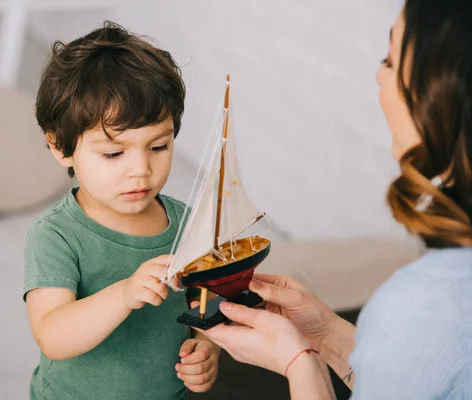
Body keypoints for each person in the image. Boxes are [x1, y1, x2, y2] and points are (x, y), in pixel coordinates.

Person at [198, 1, 472, 399]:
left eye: (390, 61)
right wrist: (324, 332)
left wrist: (301, 364)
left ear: (441, 98)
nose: (379, 74)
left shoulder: (422, 307)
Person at [23, 21, 219, 400]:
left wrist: (208, 349)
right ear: (60, 147)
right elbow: (52, 335)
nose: (141, 170)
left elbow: (206, 307)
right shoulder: (56, 236)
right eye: (114, 153)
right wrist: (124, 294)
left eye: (158, 147)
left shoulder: (188, 223)